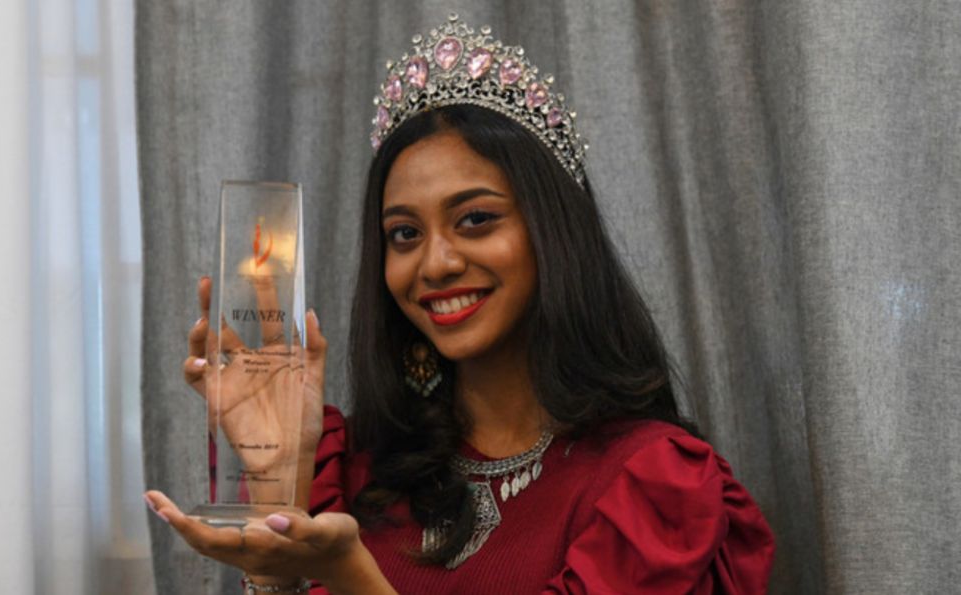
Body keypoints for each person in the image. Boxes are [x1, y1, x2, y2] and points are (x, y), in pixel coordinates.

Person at [145, 14, 775, 594]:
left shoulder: (649, 484)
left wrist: (350, 576)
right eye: (404, 234)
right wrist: (276, 488)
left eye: (475, 219)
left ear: (553, 231)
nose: (436, 263)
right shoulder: (360, 467)